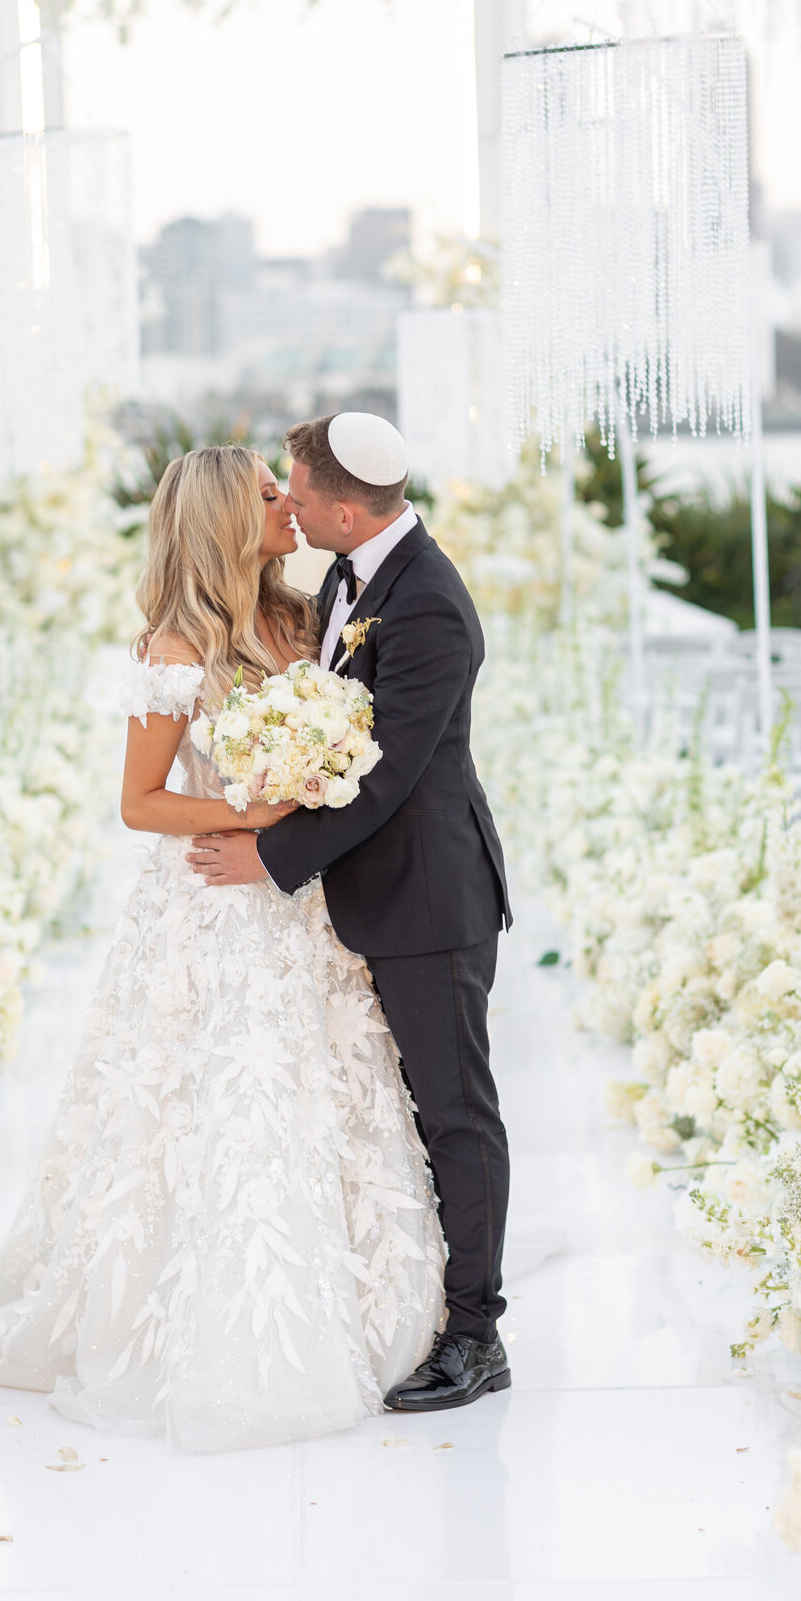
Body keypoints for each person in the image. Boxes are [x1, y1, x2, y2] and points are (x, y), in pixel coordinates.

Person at [0, 445, 444, 1451]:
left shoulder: (305, 619)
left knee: (325, 1091)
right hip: (212, 907)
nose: (289, 504)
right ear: (224, 516)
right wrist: (251, 809)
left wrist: (308, 798)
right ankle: (211, 1333)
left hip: (300, 904)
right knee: (213, 1103)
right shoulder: (175, 651)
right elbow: (138, 803)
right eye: (270, 493)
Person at [187, 412, 513, 1413]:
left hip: (429, 895)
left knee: (455, 1113)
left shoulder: (430, 606)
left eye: (292, 488)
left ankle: (477, 1335)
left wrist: (267, 857)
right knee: (411, 1111)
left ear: (340, 507)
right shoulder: (346, 576)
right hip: (375, 894)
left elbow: (386, 777)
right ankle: (426, 1300)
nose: (284, 501)